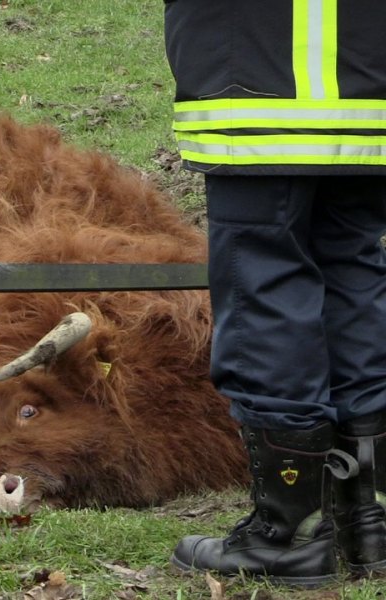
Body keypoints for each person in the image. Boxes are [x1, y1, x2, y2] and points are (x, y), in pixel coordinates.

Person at [163, 0, 386, 586]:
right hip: (366, 79)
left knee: (264, 284)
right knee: (354, 269)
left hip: (258, 77)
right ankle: (367, 520)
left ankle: (289, 533)